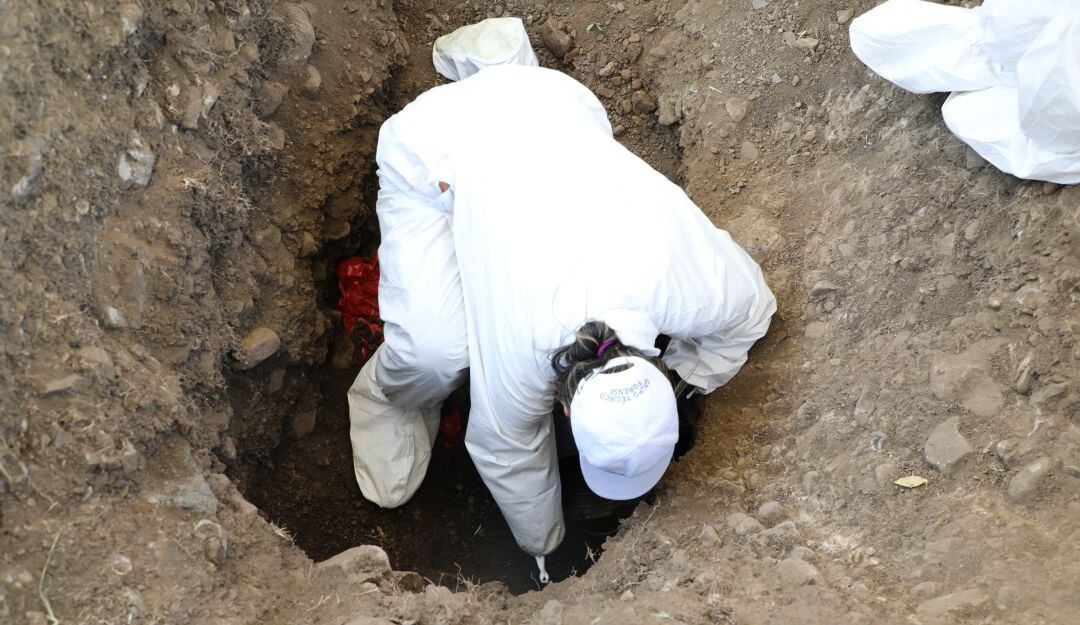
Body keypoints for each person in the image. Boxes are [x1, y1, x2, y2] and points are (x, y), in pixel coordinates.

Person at [346, 18, 776, 578]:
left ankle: (499, 67)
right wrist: (545, 550)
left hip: (564, 106)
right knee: (438, 351)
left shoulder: (695, 291)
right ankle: (390, 398)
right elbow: (507, 455)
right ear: (565, 411)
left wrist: (691, 373)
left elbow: (754, 310)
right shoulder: (523, 360)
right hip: (438, 152)